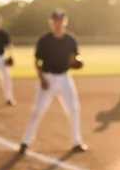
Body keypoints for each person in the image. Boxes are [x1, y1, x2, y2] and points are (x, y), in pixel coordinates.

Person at [19, 9, 88, 155]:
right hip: (47, 77)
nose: (58, 23)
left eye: (60, 20)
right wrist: (42, 78)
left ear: (65, 21)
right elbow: (37, 61)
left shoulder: (71, 40)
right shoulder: (44, 40)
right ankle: (26, 141)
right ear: (51, 22)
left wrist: (77, 61)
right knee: (38, 110)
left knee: (74, 109)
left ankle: (76, 142)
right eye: (55, 20)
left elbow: (76, 57)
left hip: (64, 78)